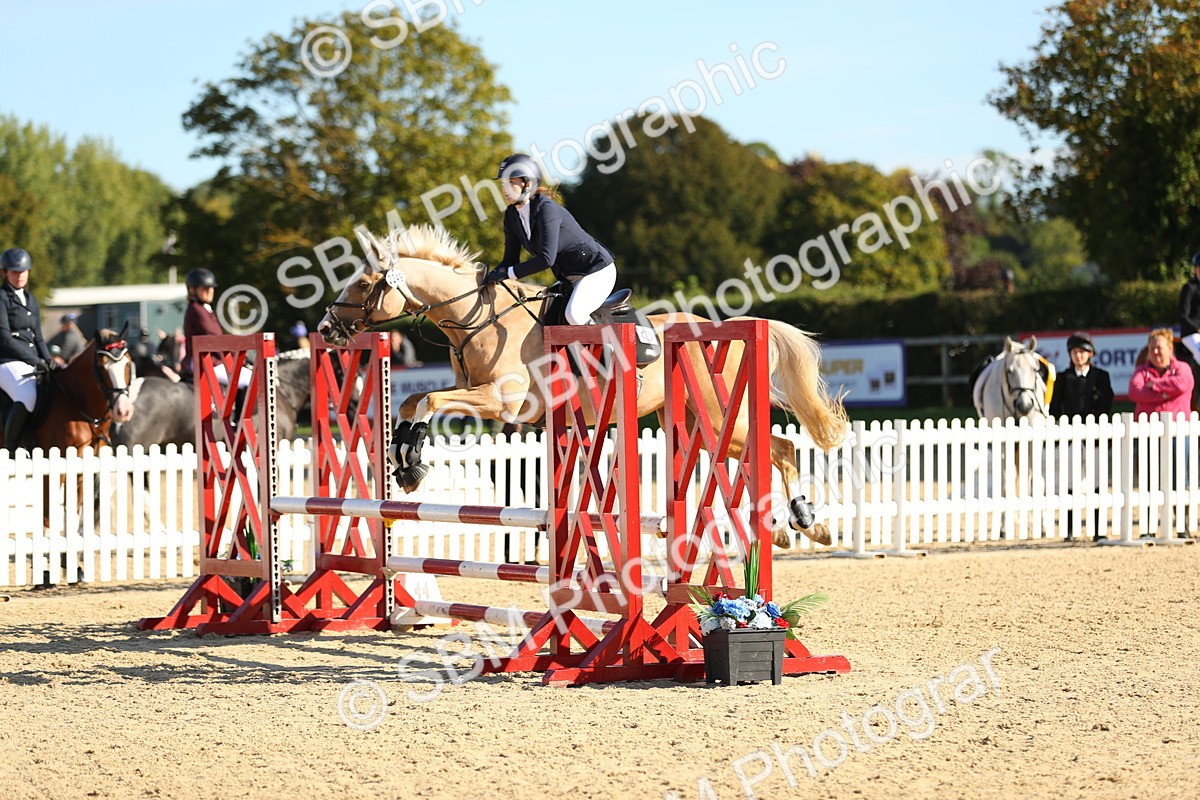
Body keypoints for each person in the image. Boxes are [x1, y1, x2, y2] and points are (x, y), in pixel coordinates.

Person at [482, 154, 616, 326]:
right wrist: (489, 277)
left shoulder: (546, 209)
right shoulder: (511, 215)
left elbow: (546, 259)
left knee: (574, 315)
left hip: (595, 270)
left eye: (510, 183)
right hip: (568, 277)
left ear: (528, 183)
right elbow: (510, 260)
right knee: (546, 319)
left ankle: (610, 349)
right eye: (502, 184)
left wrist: (508, 274)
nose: (505, 189)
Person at [0, 248, 52, 452]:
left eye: (23, 271)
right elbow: (4, 339)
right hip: (6, 361)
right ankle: (10, 447)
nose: (19, 275)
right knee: (28, 394)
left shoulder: (31, 299)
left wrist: (48, 360)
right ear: (6, 273)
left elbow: (38, 336)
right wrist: (34, 360)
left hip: (29, 360)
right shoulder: (2, 298)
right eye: (14, 272)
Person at [181, 268, 250, 388]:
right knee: (250, 379)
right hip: (204, 361)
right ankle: (241, 408)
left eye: (211, 288)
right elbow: (215, 338)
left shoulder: (203, 308)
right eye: (205, 288)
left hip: (211, 359)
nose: (210, 291)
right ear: (192, 290)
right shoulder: (197, 309)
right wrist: (239, 354)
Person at [1129, 327, 1194, 418]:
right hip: (1147, 428)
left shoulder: (1182, 367)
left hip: (1178, 427)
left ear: (1170, 349)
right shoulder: (1141, 370)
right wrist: (1164, 395)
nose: (1155, 352)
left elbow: (1180, 384)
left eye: (1159, 348)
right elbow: (1134, 392)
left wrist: (1154, 384)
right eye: (1152, 348)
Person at [1049, 331, 1113, 419]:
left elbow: (1105, 403)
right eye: (1074, 352)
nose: (1078, 356)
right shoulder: (1062, 378)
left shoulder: (1101, 377)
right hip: (1068, 427)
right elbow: (1055, 405)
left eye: (1082, 352)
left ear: (1090, 354)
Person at [1179, 251, 1200, 364]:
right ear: (1195, 269)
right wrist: (1197, 328)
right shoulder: (1189, 288)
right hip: (1191, 334)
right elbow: (1183, 315)